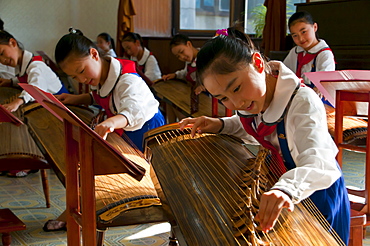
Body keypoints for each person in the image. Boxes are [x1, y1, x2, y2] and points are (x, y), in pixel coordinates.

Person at [179, 27, 350, 245]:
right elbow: (256, 126)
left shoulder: (301, 102)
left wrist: (285, 189)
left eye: (237, 87)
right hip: (282, 185)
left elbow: (317, 161)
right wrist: (220, 124)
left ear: (258, 63)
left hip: (316, 189)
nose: (237, 103)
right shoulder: (254, 101)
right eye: (223, 98)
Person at [54, 28, 165, 152]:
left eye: (81, 71)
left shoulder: (127, 81)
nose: (81, 79)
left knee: (143, 167)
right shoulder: (100, 74)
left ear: (94, 54)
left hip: (147, 130)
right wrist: (76, 98)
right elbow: (102, 96)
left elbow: (133, 112)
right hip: (125, 128)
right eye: (74, 77)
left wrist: (111, 122)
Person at [0, 30, 69, 177]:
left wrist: (18, 101)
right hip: (46, 108)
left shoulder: (36, 66)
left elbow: (36, 86)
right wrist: (10, 81)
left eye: (1, 53)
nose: (2, 60)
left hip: (60, 109)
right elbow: (25, 80)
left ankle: (27, 160)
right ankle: (16, 158)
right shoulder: (24, 66)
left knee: (20, 118)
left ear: (13, 43)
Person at [283, 11, 335, 88]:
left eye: (303, 32)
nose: (301, 39)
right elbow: (284, 72)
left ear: (315, 27)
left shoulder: (324, 54)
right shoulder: (294, 52)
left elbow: (325, 83)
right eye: (295, 35)